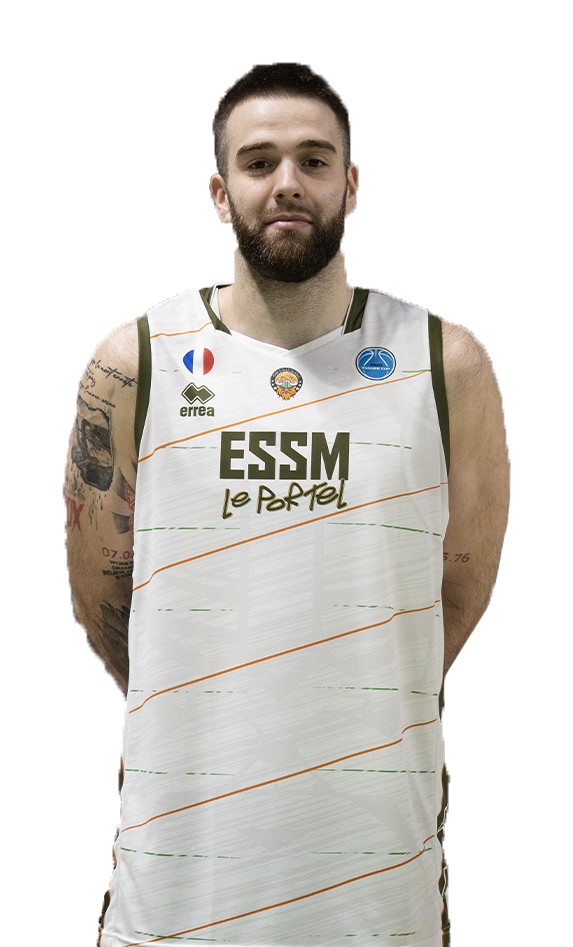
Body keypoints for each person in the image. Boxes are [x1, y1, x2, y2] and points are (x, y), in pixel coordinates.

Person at [65, 63, 509, 947]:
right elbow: (104, 591)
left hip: (374, 875)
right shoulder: (138, 360)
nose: (287, 183)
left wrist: (348, 694)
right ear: (220, 191)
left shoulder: (443, 362)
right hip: (183, 871)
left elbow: (453, 594)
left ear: (350, 183)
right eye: (258, 161)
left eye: (313, 159)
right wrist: (217, 697)